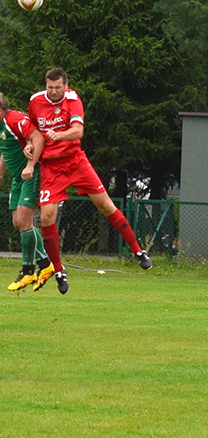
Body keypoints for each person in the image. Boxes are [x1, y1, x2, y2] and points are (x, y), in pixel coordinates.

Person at [28, 68, 152, 294]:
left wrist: (59, 135)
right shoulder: (35, 101)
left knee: (105, 204)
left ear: (66, 85)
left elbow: (77, 131)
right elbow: (33, 131)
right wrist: (29, 144)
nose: (54, 92)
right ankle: (58, 270)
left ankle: (137, 250)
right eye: (50, 87)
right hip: (52, 167)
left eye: (58, 87)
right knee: (46, 216)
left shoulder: (73, 100)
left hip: (75, 162)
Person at [0, 92, 55, 291]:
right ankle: (46, 265)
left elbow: (37, 137)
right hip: (17, 178)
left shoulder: (15, 119)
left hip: (33, 174)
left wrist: (30, 165)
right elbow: (8, 150)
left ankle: (28, 270)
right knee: (18, 222)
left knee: (24, 221)